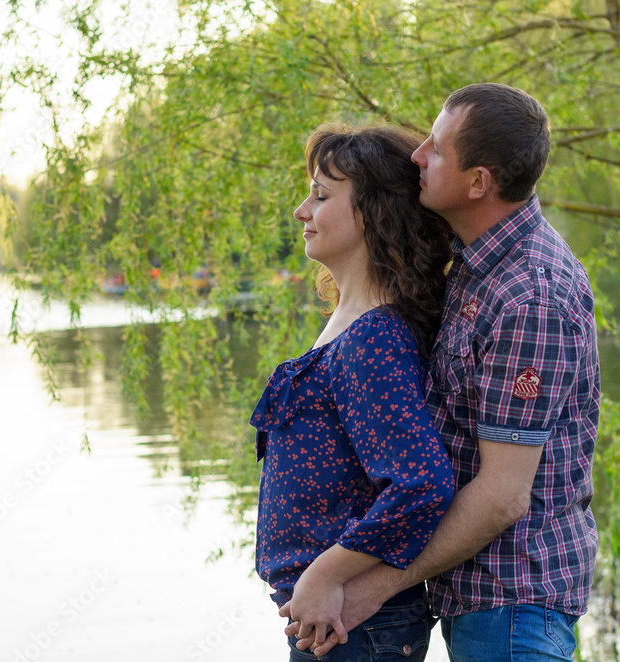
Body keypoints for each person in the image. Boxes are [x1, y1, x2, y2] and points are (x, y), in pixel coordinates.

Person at [288, 83, 601, 661]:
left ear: (478, 182)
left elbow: (503, 496)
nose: (418, 155)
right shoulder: (477, 267)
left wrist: (366, 588)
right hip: (474, 597)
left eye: (435, 147)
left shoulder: (531, 296)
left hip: (511, 605)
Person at [251, 124, 456, 661]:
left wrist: (325, 574)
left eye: (320, 196)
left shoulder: (374, 338)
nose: (301, 211)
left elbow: (422, 483)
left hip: (355, 621)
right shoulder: (353, 322)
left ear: (372, 213)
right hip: (334, 617)